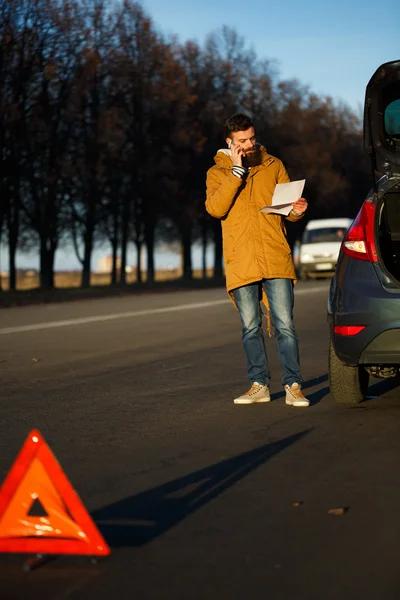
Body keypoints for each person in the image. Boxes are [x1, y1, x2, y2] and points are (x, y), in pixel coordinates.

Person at [205, 113, 309, 407]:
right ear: (230, 142)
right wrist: (236, 173)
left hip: (275, 254)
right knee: (250, 326)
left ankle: (293, 386)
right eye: (242, 141)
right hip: (242, 260)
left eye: (252, 137)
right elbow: (215, 208)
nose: (249, 144)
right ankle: (259, 385)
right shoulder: (216, 173)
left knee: (285, 324)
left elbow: (286, 208)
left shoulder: (273, 164)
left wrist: (297, 209)